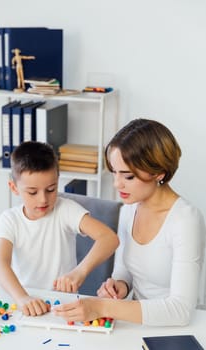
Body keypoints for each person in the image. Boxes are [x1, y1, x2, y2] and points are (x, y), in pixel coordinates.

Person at [54, 118, 206, 326]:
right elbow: (124, 271)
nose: (117, 184)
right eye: (115, 173)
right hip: (136, 324)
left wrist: (101, 306)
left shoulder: (186, 220)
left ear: (159, 172)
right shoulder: (129, 209)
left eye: (128, 177)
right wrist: (119, 285)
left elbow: (180, 310)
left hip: (178, 329)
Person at [0, 141, 119, 316]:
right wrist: (22, 298)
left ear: (57, 181)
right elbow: (0, 264)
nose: (43, 199)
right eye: (33, 192)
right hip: (24, 301)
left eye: (51, 189)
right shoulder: (9, 219)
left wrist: (79, 272)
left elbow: (109, 238)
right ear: (14, 188)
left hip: (64, 305)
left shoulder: (66, 209)